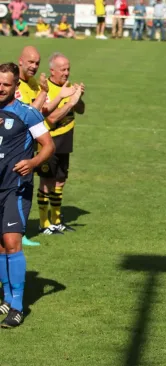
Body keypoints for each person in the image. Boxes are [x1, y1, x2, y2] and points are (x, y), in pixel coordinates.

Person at [0, 62, 55, 328]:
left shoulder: (28, 114)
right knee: (0, 246)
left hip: (15, 187)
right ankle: (8, 298)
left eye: (6, 85)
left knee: (12, 242)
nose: (0, 88)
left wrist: (32, 164)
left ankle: (18, 307)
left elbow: (48, 146)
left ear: (15, 87)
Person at [16, 47, 76, 244]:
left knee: (24, 188)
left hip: (28, 144)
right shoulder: (14, 85)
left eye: (37, 63)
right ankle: (17, 232)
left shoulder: (33, 84)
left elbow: (41, 110)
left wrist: (48, 93)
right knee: (14, 188)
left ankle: (20, 231)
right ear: (21, 61)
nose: (34, 66)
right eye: (30, 62)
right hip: (13, 144)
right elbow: (29, 114)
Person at [36, 53, 85, 235]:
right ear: (52, 71)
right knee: (47, 182)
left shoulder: (69, 87)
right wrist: (70, 103)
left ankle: (56, 221)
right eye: (63, 69)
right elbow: (52, 118)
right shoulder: (46, 89)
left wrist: (78, 98)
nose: (66, 72)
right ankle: (43, 223)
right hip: (49, 142)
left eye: (68, 69)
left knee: (60, 182)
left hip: (65, 141)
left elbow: (81, 109)